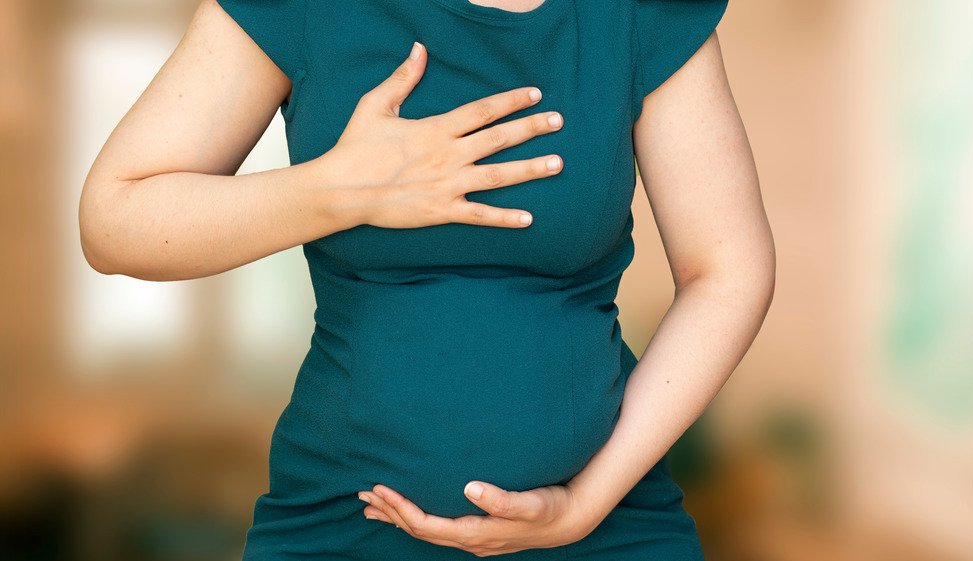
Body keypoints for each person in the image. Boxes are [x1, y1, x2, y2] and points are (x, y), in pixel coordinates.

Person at [79, 0, 774, 558]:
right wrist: (340, 189)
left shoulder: (638, 14)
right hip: (342, 524)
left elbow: (728, 270)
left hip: (608, 527)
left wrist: (584, 504)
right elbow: (114, 220)